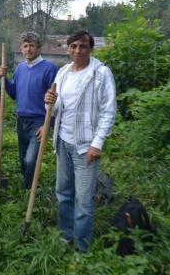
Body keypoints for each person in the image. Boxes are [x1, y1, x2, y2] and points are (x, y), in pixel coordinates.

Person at [45, 31, 117, 252]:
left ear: (90, 48)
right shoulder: (63, 72)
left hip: (85, 146)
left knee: (84, 202)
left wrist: (97, 143)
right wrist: (50, 102)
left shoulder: (100, 73)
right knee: (63, 193)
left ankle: (81, 248)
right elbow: (56, 110)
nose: (78, 51)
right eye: (73, 46)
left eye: (83, 46)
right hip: (63, 141)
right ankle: (66, 236)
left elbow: (108, 110)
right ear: (68, 48)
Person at [0, 32, 58, 189]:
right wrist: (4, 79)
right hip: (21, 119)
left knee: (31, 159)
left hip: (39, 121)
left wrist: (48, 124)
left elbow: (55, 100)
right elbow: (14, 94)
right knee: (23, 158)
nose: (28, 49)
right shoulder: (20, 68)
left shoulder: (50, 69)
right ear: (21, 49)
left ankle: (30, 189)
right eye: (25, 46)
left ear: (39, 47)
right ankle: (28, 188)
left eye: (32, 45)